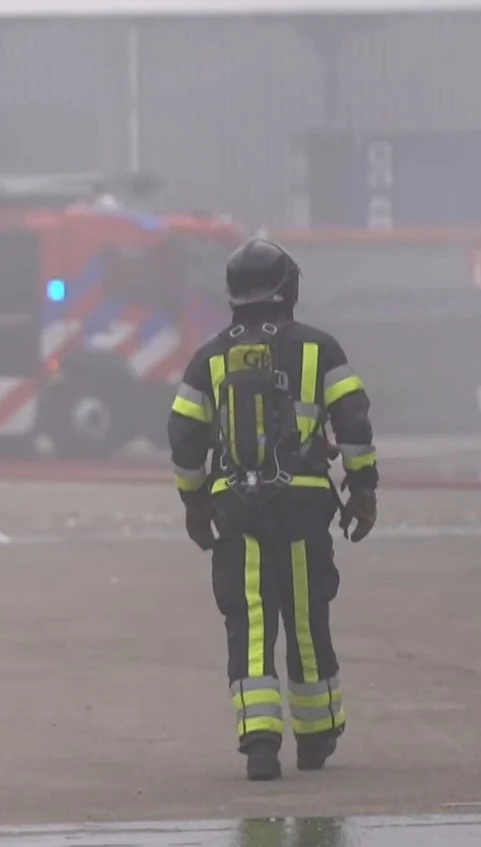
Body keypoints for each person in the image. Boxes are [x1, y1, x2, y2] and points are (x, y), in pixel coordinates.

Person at [167, 237, 378, 782]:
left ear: (234, 294)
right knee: (307, 617)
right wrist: (363, 489)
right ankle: (315, 737)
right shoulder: (319, 349)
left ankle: (260, 742)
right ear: (290, 287)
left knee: (251, 620)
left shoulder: (208, 356)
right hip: (305, 506)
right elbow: (353, 422)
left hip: (235, 511)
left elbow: (184, 437)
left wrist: (193, 504)